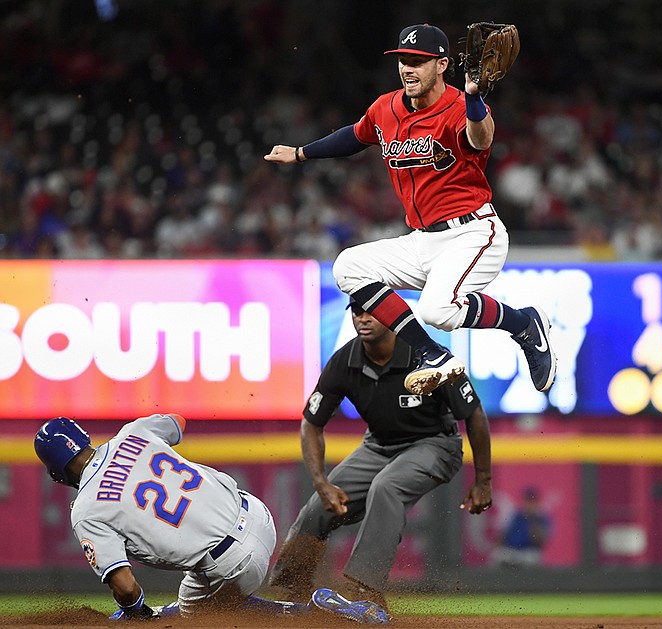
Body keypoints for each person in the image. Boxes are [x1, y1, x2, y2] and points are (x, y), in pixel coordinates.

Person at [264, 23, 556, 398]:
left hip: (472, 231)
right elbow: (355, 135)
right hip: (421, 240)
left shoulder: (458, 108)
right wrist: (302, 153)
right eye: (403, 59)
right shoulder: (386, 106)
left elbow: (481, 137)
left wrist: (474, 98)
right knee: (347, 268)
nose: (408, 68)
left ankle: (523, 324)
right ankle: (430, 353)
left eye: (419, 61)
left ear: (442, 65)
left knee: (438, 311)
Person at [33, 414, 390, 624]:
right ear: (83, 438)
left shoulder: (87, 509)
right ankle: (312, 608)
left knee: (194, 617)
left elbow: (125, 588)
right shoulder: (134, 432)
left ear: (56, 473)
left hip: (232, 563)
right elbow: (177, 422)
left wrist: (134, 613)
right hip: (258, 516)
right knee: (214, 600)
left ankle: (312, 613)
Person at [266, 297, 493, 608]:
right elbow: (311, 424)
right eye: (357, 312)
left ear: (392, 315)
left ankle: (366, 594)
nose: (364, 318)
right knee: (319, 505)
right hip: (378, 445)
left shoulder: (426, 355)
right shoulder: (345, 361)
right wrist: (321, 482)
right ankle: (294, 590)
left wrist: (483, 480)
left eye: (372, 311)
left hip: (435, 443)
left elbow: (474, 413)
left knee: (386, 486)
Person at [491, 486, 553, 567]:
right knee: (496, 554)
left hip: (529, 553)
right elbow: (502, 537)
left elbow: (540, 541)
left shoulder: (541, 518)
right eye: (527, 500)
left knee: (536, 557)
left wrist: (533, 518)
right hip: (512, 551)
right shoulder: (515, 516)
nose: (529, 504)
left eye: (532, 501)